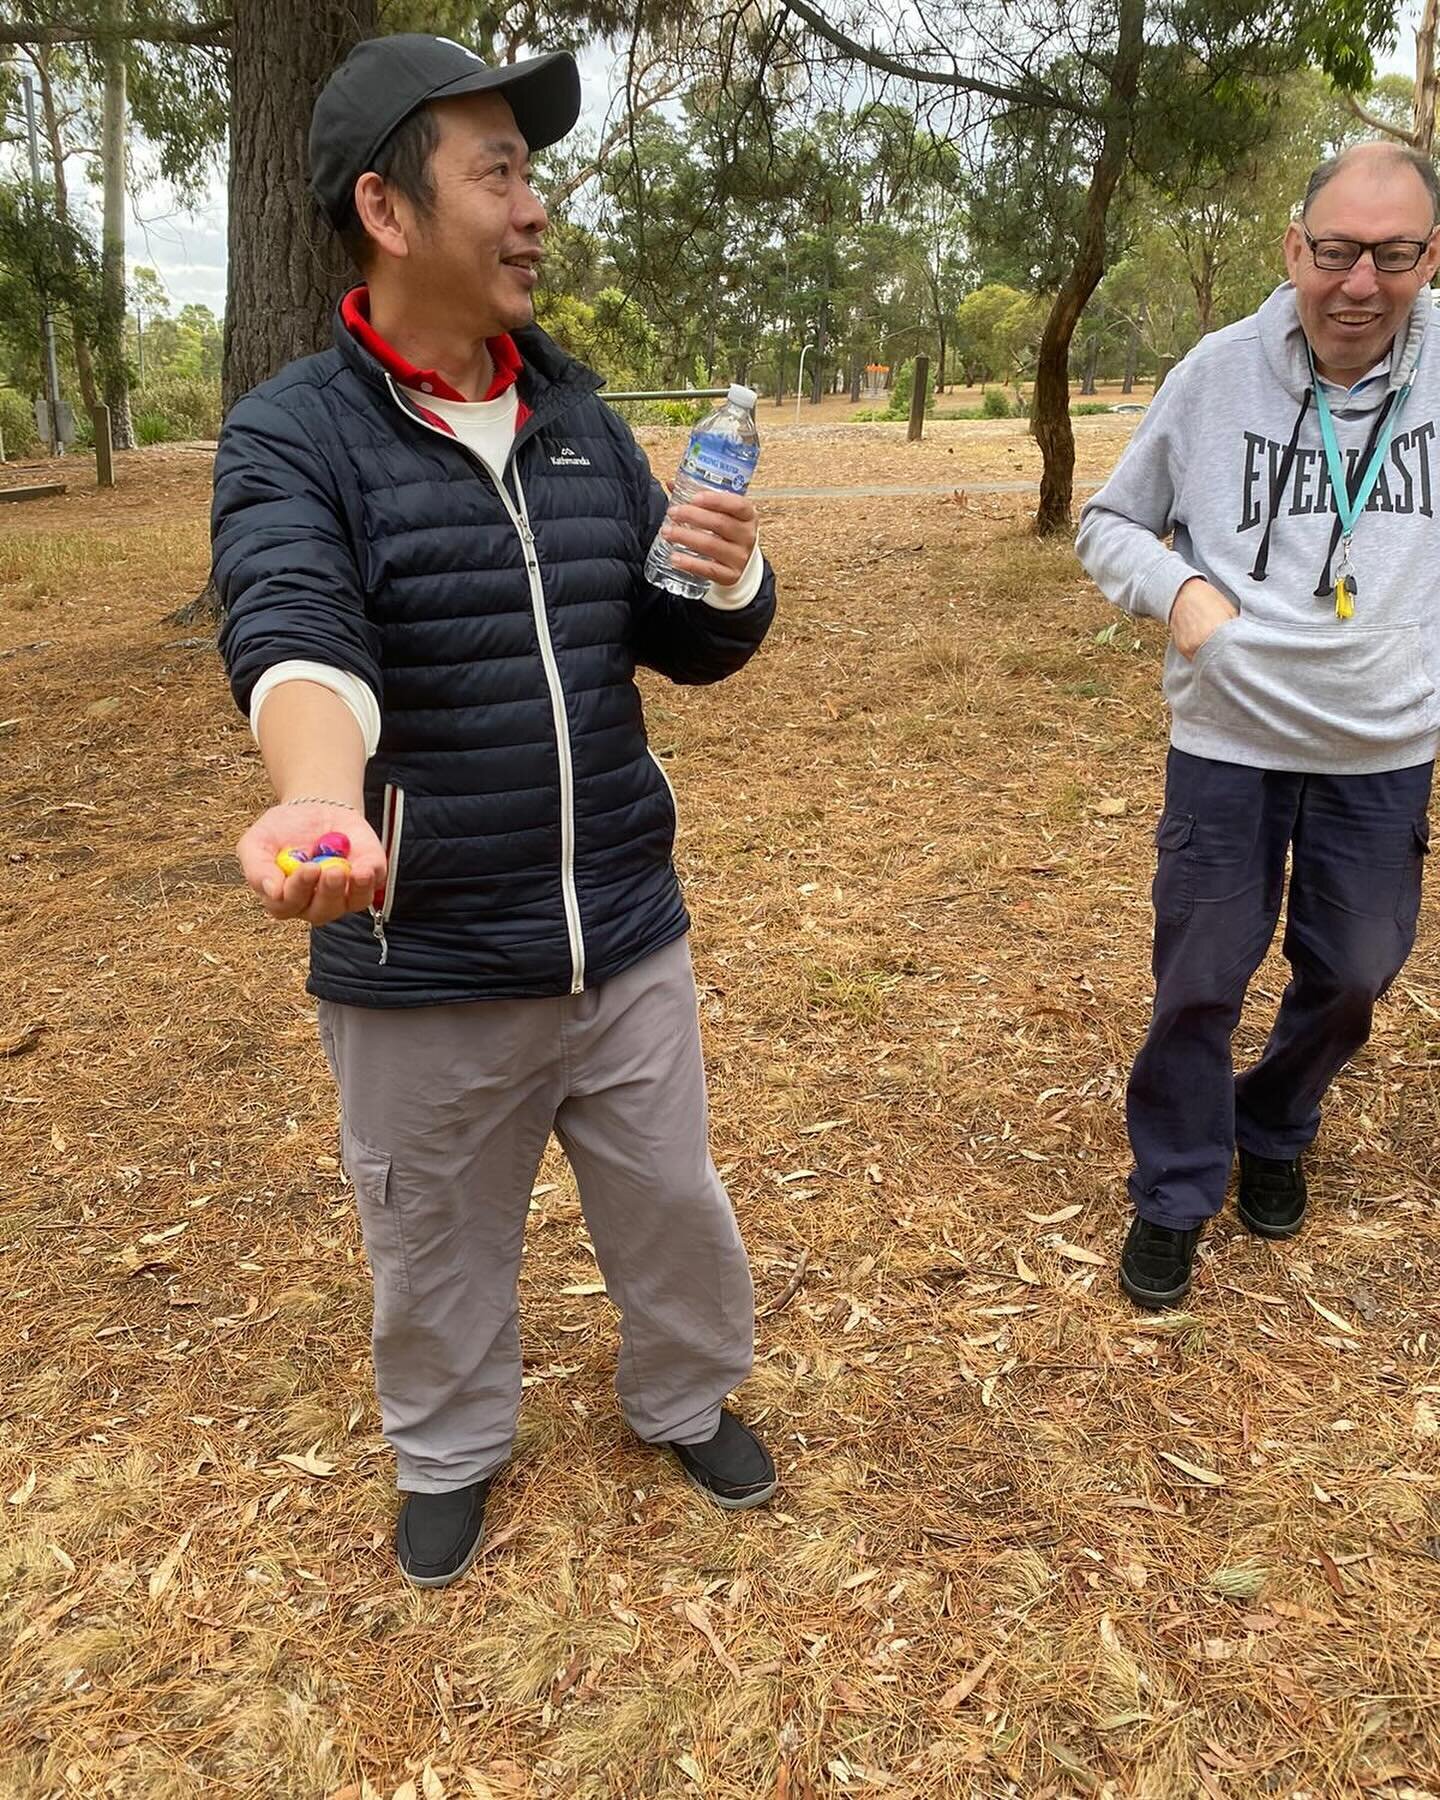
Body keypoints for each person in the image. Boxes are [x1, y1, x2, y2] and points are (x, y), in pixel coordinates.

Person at [212, 34, 779, 1586]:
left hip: (624, 936)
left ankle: (681, 1397)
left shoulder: (580, 415)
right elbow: (294, 626)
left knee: (673, 1204)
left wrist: (732, 574)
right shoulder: (293, 436)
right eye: (501, 172)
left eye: (532, 173)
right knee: (434, 1243)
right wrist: (320, 808)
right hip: (430, 963)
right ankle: (451, 1448)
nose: (535, 208)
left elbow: (681, 635)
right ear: (389, 213)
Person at [1077, 141, 1440, 1310]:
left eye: (1394, 256)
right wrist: (1176, 592)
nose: (1360, 284)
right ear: (1294, 250)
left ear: (1430, 259)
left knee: (1355, 973)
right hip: (1228, 741)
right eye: (1336, 252)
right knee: (1197, 982)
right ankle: (1177, 1190)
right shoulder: (1217, 371)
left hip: (1383, 747)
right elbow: (1110, 524)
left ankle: (1276, 1125)